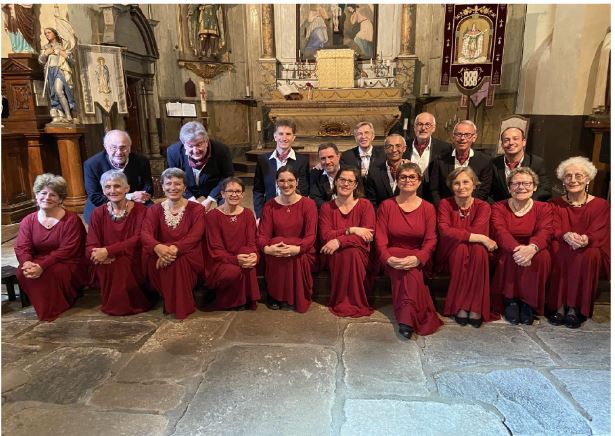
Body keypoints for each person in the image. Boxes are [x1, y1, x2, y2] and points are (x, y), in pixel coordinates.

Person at [375, 162, 442, 339]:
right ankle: (408, 318)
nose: (407, 180)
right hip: (391, 255)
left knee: (410, 269)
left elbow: (431, 239)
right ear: (397, 181)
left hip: (417, 256)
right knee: (404, 268)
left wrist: (419, 258)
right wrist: (387, 258)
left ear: (419, 181)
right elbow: (380, 238)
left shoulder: (428, 208)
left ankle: (405, 318)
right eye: (403, 177)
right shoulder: (386, 206)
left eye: (412, 176)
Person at [547, 157, 610, 328]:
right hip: (562, 242)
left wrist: (586, 239)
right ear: (563, 180)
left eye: (579, 175)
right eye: (568, 176)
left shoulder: (601, 205)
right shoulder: (554, 204)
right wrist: (565, 235)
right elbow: (552, 228)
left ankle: (575, 309)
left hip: (588, 245)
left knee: (590, 254)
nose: (573, 180)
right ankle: (558, 307)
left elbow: (601, 229)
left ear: (588, 178)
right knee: (557, 250)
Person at [14, 174, 86, 321]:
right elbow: (22, 246)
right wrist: (27, 262)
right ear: (36, 195)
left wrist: (42, 265)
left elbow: (68, 249)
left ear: (60, 199)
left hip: (67, 261)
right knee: (22, 272)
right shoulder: (28, 220)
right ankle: (44, 305)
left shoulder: (71, 219)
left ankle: (56, 305)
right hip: (38, 259)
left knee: (54, 273)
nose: (47, 198)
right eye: (43, 193)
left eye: (53, 194)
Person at [491, 167, 553, 326]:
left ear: (535, 187)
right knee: (507, 255)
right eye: (516, 184)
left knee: (543, 256)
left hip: (533, 247)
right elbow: (500, 232)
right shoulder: (498, 207)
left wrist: (532, 248)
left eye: (526, 183)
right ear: (509, 187)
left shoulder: (543, 208)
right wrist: (518, 250)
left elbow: (545, 231)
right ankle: (510, 300)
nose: (521, 187)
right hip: (509, 248)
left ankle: (528, 302)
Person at [436, 167, 498, 327]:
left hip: (476, 248)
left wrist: (477, 238)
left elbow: (475, 229)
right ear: (451, 186)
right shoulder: (445, 204)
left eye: (465, 182)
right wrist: (483, 238)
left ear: (474, 184)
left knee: (478, 252)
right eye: (456, 183)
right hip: (450, 249)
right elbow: (445, 231)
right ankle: (461, 305)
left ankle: (476, 307)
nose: (461, 186)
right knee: (461, 250)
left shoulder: (483, 206)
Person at [142, 168, 205, 319]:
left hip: (188, 253)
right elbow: (145, 234)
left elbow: (195, 235)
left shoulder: (197, 209)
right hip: (160, 253)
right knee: (167, 261)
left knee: (178, 262)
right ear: (162, 187)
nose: (172, 187)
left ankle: (176, 305)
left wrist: (174, 249)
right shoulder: (154, 210)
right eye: (168, 183)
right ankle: (175, 302)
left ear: (184, 187)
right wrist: (159, 248)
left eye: (177, 184)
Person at [86, 170, 151, 316]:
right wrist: (97, 254)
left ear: (127, 189)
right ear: (103, 190)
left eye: (117, 186)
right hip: (105, 257)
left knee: (121, 263)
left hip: (135, 255)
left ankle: (134, 303)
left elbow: (139, 238)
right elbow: (91, 242)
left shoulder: (141, 210)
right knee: (104, 262)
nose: (112, 190)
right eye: (107, 187)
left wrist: (109, 251)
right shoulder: (98, 213)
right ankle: (112, 302)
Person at [256, 165, 317, 312]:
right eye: (281, 180)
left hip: (303, 250)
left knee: (287, 249)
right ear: (277, 183)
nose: (286, 184)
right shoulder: (269, 205)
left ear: (297, 182)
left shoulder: (308, 204)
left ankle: (295, 294)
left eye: (290, 180)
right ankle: (275, 295)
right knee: (276, 246)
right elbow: (263, 235)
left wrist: (298, 248)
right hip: (277, 250)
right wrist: (267, 248)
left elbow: (311, 235)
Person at [320, 166, 375, 317]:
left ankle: (355, 301)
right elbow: (325, 236)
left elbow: (367, 235)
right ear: (336, 182)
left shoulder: (365, 206)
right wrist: (352, 230)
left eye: (350, 181)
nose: (345, 184)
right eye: (342, 180)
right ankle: (343, 300)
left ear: (356, 185)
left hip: (360, 253)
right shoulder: (326, 207)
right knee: (349, 252)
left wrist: (338, 241)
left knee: (352, 252)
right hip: (332, 253)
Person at [204, 177, 260, 311]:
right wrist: (235, 259)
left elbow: (251, 241)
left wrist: (253, 255)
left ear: (242, 194)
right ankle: (228, 302)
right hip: (219, 261)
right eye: (230, 191)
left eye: (238, 191)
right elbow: (215, 249)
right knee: (233, 271)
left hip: (241, 257)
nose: (234, 194)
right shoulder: (212, 216)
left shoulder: (247, 214)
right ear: (222, 194)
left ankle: (247, 299)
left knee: (249, 256)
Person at [83, 129, 153, 224]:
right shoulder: (92, 164)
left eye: (123, 147)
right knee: (104, 223)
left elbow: (148, 189)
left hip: (135, 202)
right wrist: (129, 196)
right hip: (103, 203)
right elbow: (95, 197)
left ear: (130, 147)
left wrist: (139, 196)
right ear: (106, 147)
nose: (119, 152)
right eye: (113, 148)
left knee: (153, 215)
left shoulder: (142, 161)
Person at [166, 121, 234, 212]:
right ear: (184, 144)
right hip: (187, 187)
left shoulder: (222, 150)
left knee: (228, 200)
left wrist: (210, 199)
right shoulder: (173, 152)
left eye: (199, 144)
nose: (195, 151)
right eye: (190, 146)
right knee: (174, 203)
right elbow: (175, 179)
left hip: (213, 185)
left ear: (206, 141)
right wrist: (191, 199)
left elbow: (227, 177)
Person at [253, 119, 309, 219]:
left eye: (288, 134)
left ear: (293, 138)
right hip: (270, 211)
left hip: (294, 212)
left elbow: (304, 191)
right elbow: (258, 190)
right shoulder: (263, 160)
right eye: (281, 134)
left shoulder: (302, 161)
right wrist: (259, 215)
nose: (284, 138)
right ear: (275, 136)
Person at [430, 120, 493, 207]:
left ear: (474, 137)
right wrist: (442, 207)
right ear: (453, 137)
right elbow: (434, 189)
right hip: (445, 209)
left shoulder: (484, 161)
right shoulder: (440, 159)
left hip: (472, 210)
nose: (462, 138)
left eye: (467, 135)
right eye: (458, 134)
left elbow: (484, 191)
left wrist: (467, 207)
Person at [491, 127, 551, 202]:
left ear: (523, 142)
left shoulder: (536, 162)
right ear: (502, 145)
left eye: (515, 139)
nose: (511, 143)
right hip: (502, 208)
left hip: (528, 208)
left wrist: (524, 203)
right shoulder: (494, 164)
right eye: (506, 140)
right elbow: (488, 191)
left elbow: (544, 190)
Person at [403, 112, 452, 202]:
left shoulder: (445, 148)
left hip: (433, 196)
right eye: (420, 124)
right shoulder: (404, 146)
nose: (423, 128)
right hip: (407, 195)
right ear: (414, 128)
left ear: (433, 128)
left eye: (427, 125)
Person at [38, 27, 76, 123]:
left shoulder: (63, 46)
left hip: (60, 70)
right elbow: (40, 61)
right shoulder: (45, 47)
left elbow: (73, 62)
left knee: (59, 91)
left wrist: (63, 54)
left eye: (49, 32)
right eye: (45, 33)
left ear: (55, 34)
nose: (47, 35)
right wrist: (46, 53)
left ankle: (68, 115)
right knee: (53, 93)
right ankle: (60, 114)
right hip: (49, 71)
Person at [364, 133, 406, 209]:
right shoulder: (374, 173)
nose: (394, 150)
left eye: (398, 146)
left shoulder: (412, 173)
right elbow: (371, 202)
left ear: (404, 148)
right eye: (390, 146)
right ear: (385, 149)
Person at [309, 142, 341, 208]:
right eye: (323, 158)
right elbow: (315, 198)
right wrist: (330, 211)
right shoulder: (315, 174)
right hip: (325, 213)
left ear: (338, 157)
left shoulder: (349, 172)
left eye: (330, 157)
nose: (327, 162)